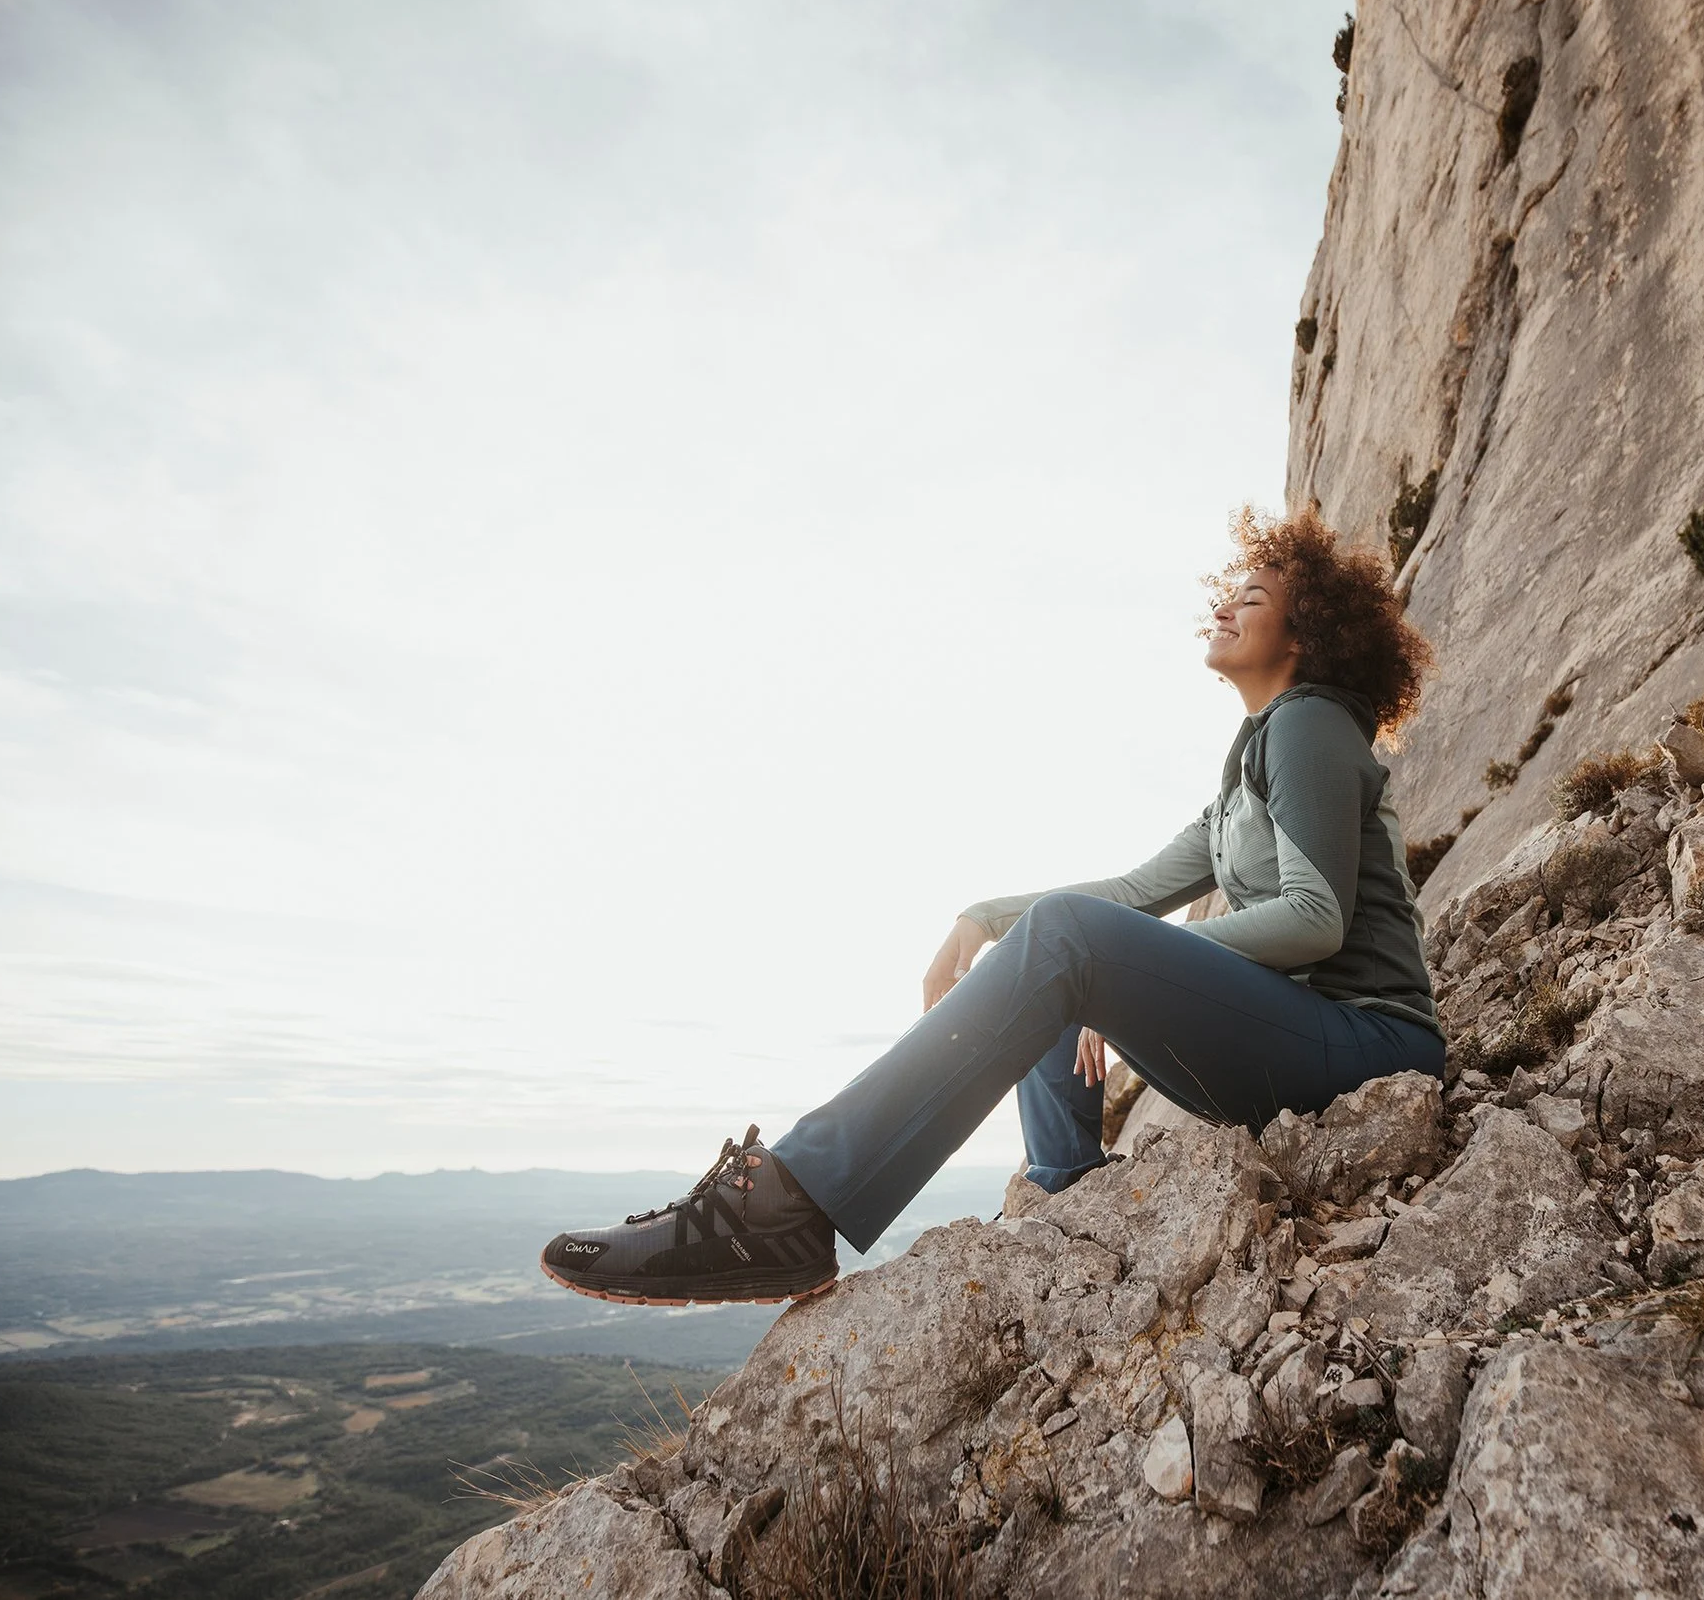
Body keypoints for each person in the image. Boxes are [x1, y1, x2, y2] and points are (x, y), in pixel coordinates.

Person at [539, 509, 1447, 1307]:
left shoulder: (1310, 722)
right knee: (1053, 937)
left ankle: (781, 1204)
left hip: (1367, 1044)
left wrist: (1151, 959)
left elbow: (1317, 917)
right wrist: (983, 915)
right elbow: (1129, 896)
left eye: (1251, 594)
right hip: (1298, 1048)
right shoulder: (1242, 770)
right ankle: (1065, 1198)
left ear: (1307, 628)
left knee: (1066, 940)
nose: (1224, 605)